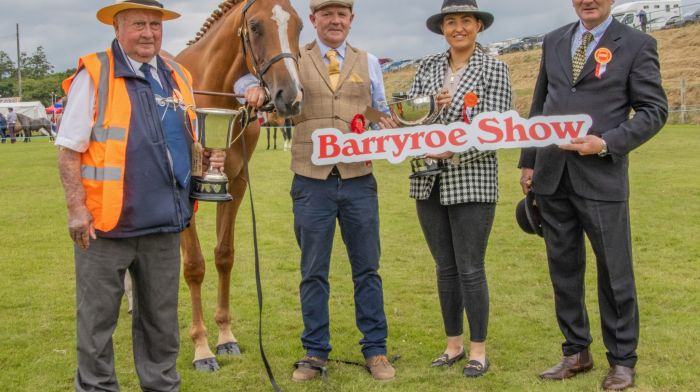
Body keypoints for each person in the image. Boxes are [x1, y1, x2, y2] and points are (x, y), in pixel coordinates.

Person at [55, 1, 224, 391]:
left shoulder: (177, 75)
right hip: (104, 226)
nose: (148, 33)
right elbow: (68, 149)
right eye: (138, 25)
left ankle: (162, 385)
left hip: (165, 223)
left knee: (161, 322)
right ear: (118, 28)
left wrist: (206, 158)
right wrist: (76, 208)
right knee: (97, 323)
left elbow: (187, 142)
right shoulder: (95, 73)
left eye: (154, 24)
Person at [237, 0, 395, 382]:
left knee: (367, 270)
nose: (335, 21)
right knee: (313, 272)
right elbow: (247, 76)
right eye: (327, 14)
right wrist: (250, 89)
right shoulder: (293, 57)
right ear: (313, 21)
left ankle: (376, 351)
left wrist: (388, 129)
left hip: (359, 180)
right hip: (311, 181)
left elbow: (380, 111)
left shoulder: (368, 61)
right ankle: (314, 353)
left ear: (351, 20)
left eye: (342, 14)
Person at [518, 0, 668, 390]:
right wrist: (529, 161)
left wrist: (605, 143)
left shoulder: (637, 44)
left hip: (601, 176)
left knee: (615, 274)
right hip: (551, 176)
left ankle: (621, 360)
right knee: (563, 270)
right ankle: (576, 351)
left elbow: (653, 110)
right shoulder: (553, 41)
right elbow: (540, 104)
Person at [384, 0, 512, 378]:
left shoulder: (494, 68)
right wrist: (404, 123)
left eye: (465, 21)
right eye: (451, 22)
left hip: (471, 180)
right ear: (442, 28)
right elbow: (415, 120)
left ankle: (478, 349)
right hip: (429, 180)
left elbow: (497, 130)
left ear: (478, 26)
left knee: (471, 268)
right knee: (445, 268)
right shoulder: (427, 68)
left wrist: (451, 150)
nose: (458, 28)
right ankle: (453, 344)